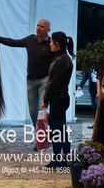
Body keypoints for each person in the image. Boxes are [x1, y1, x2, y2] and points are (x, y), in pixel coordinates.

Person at [0, 20, 53, 131]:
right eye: (38, 25)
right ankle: (39, 131)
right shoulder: (30, 39)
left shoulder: (51, 44)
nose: (38, 28)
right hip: (30, 80)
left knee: (41, 109)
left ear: (48, 30)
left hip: (45, 80)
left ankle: (41, 137)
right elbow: (13, 42)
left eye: (42, 27)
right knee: (32, 111)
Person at [41, 32, 74, 168]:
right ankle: (63, 158)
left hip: (58, 98)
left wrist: (46, 99)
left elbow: (54, 83)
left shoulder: (62, 60)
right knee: (60, 129)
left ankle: (58, 160)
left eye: (51, 42)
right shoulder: (61, 58)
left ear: (57, 44)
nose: (49, 44)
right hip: (59, 98)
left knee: (57, 130)